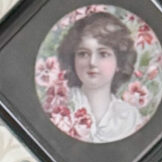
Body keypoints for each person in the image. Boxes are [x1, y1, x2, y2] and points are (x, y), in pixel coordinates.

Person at [49, 10, 149, 143]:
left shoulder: (130, 117)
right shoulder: (60, 106)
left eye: (103, 54)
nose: (92, 63)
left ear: (119, 62)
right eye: (83, 54)